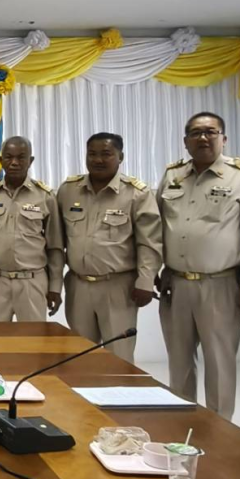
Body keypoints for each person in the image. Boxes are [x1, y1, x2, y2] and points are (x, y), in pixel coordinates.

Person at [156, 111, 240, 420]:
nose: (203, 138)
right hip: (176, 283)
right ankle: (182, 422)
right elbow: (156, 226)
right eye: (196, 133)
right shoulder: (172, 175)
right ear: (186, 141)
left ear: (224, 139)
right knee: (179, 361)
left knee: (219, 362)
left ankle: (220, 428)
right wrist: (155, 270)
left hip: (220, 284)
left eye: (211, 132)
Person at [56, 133, 162, 361]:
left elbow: (149, 242)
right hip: (78, 285)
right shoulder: (68, 190)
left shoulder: (136, 193)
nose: (98, 160)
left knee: (118, 357)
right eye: (92, 154)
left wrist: (146, 280)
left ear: (120, 157)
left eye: (106, 154)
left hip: (118, 287)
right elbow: (57, 241)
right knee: (79, 357)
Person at [0, 136, 63, 322]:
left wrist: (55, 287)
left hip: (32, 281)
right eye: (9, 157)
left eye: (21, 157)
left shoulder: (45, 197)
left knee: (33, 338)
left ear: (30, 161)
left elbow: (55, 247)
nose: (14, 162)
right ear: (1, 160)